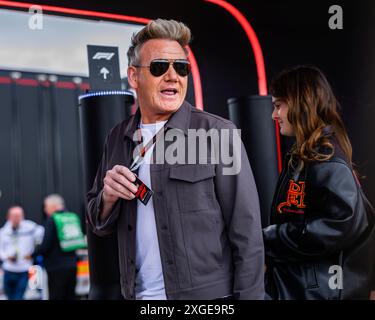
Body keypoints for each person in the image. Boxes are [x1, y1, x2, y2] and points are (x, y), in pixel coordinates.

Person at [86, 19, 264, 300]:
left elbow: (248, 232)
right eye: (159, 67)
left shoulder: (218, 133)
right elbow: (97, 222)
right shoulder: (116, 137)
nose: (173, 76)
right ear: (134, 77)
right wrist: (108, 196)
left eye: (181, 68)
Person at [263, 65, 375, 299]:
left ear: (300, 104)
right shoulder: (306, 156)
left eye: (278, 106)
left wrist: (267, 240)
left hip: (320, 293)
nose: (274, 116)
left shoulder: (327, 160)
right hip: (301, 287)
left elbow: (337, 227)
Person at [35, 194, 84, 300]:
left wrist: (35, 254)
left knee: (57, 296)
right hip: (72, 264)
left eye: (46, 206)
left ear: (53, 206)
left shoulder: (52, 220)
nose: (45, 209)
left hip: (56, 267)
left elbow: (46, 245)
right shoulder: (72, 217)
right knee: (70, 295)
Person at [0, 206, 44, 300]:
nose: (16, 218)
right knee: (9, 296)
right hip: (8, 269)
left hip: (24, 269)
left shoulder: (30, 227)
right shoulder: (4, 231)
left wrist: (33, 253)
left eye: (19, 215)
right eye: (14, 215)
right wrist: (6, 257)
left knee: (19, 296)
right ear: (8, 216)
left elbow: (43, 234)